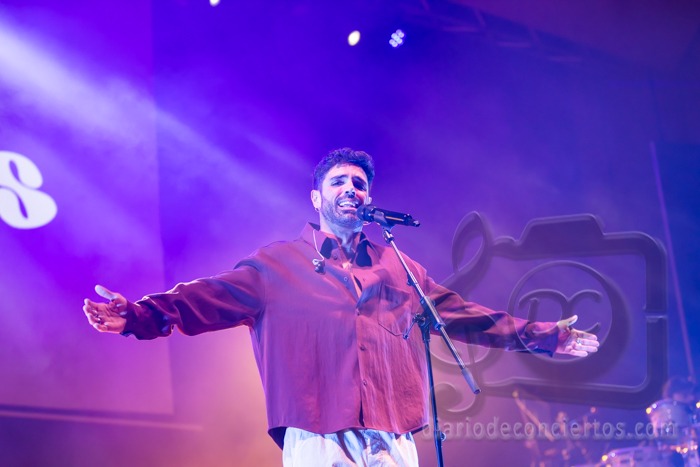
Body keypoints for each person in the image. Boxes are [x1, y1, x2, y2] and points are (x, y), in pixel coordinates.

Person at [83, 148, 599, 466]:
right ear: (316, 198)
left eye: (359, 184)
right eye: (339, 182)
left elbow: (465, 316)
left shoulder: (399, 267)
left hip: (392, 433)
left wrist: (546, 335)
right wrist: (139, 315)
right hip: (319, 432)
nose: (351, 189)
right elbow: (206, 296)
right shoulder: (277, 264)